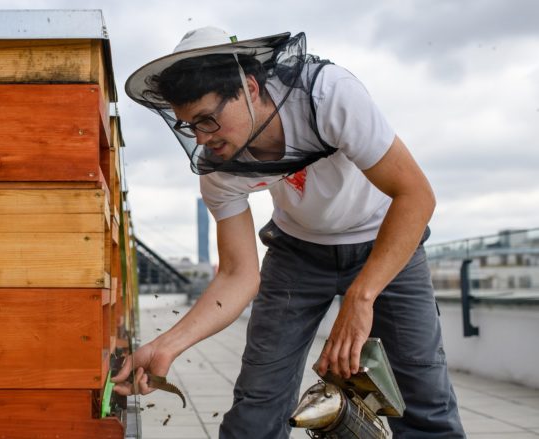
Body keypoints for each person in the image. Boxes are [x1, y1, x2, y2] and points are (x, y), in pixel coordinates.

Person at [113, 27, 465, 438]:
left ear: (248, 87)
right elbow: (237, 275)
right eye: (191, 126)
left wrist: (362, 295)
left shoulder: (327, 95)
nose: (203, 138)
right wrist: (166, 346)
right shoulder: (217, 169)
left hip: (386, 241)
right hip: (296, 254)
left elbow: (416, 197)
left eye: (209, 119)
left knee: (422, 397)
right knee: (258, 404)